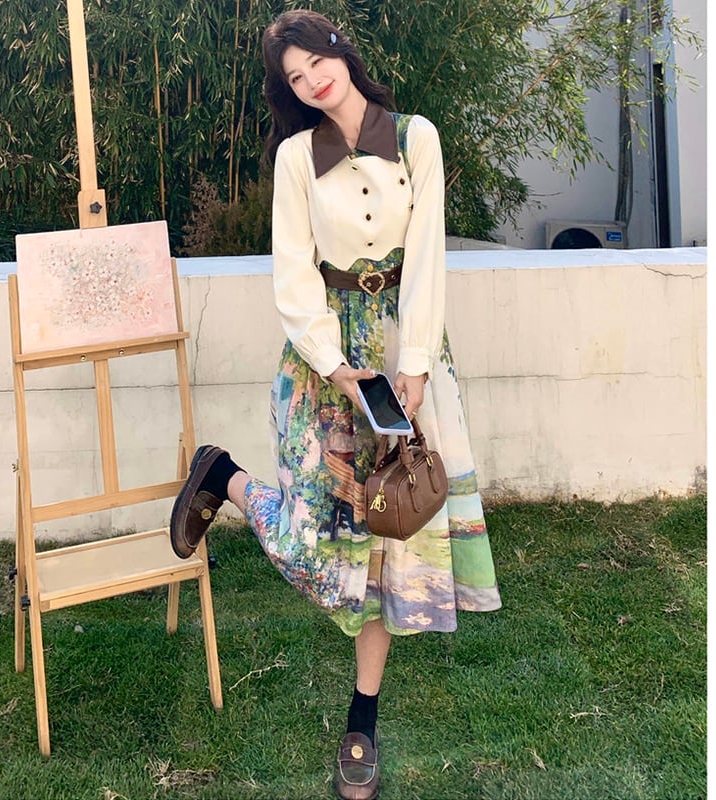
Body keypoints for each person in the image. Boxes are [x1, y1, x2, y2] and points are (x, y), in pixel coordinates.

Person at [170, 9, 501, 799]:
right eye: (294, 78)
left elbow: (428, 259)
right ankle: (225, 477)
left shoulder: (416, 138)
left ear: (340, 52)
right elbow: (292, 275)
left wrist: (412, 367)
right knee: (315, 543)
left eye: (315, 60)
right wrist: (338, 366)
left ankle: (362, 722)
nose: (311, 79)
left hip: (407, 353)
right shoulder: (296, 159)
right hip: (325, 365)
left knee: (389, 544)